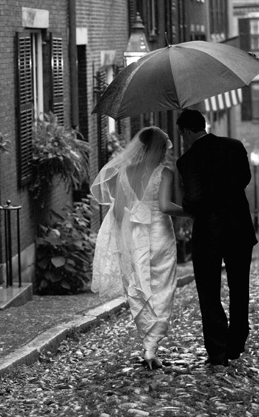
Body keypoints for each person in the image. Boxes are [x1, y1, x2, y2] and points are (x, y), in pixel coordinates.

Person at [91, 126, 186, 369]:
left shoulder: (126, 171)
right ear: (159, 148)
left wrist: (126, 242)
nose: (165, 152)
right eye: (164, 148)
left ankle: (148, 345)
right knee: (162, 285)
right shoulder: (165, 172)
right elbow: (165, 206)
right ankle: (151, 347)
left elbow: (120, 212)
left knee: (139, 285)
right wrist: (190, 212)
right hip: (160, 234)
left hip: (135, 234)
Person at [175, 109, 257, 366]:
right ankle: (237, 340)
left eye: (182, 136)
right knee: (239, 286)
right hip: (239, 228)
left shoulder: (187, 161)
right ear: (203, 125)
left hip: (208, 233)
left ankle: (218, 351)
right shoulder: (234, 146)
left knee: (209, 291)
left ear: (187, 132)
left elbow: (193, 200)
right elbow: (245, 178)